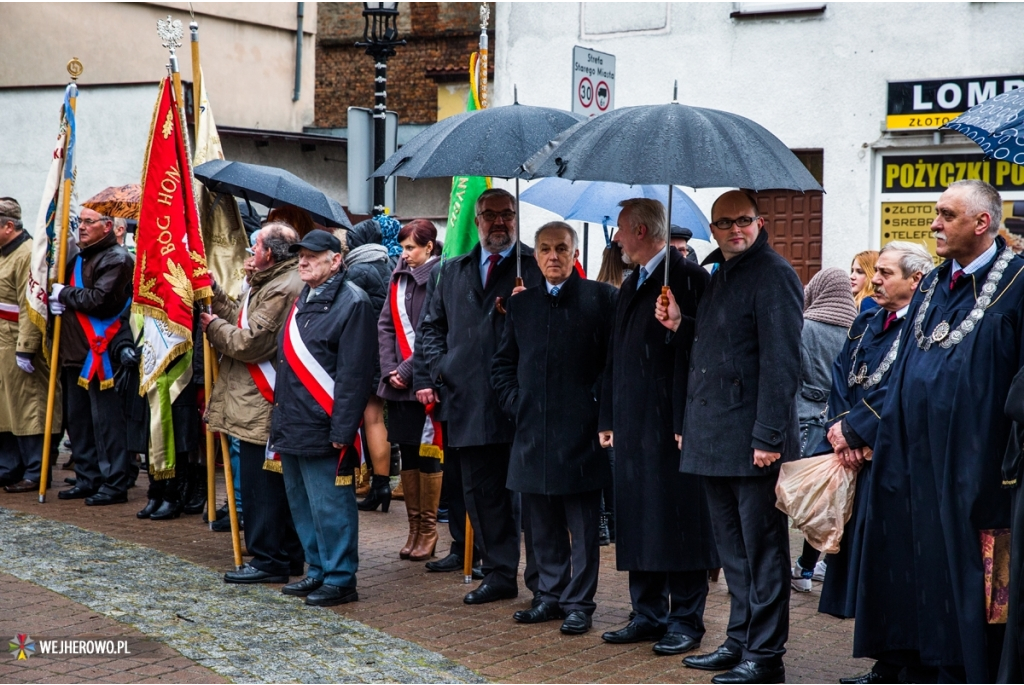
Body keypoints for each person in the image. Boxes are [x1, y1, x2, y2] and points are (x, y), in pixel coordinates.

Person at [851, 180, 1024, 683]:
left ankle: (963, 666)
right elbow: (907, 362)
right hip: (911, 455)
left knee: (972, 572)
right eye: (935, 213)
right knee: (909, 556)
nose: (934, 224)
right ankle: (910, 657)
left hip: (976, 464)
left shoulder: (1016, 283)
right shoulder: (930, 282)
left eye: (946, 215)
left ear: (982, 223)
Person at [659, 190, 803, 684]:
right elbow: (724, 344)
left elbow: (782, 362)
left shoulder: (774, 274)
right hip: (716, 439)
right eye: (724, 223)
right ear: (713, 229)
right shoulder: (722, 272)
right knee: (733, 553)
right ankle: (739, 640)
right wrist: (682, 323)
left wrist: (769, 435)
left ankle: (765, 656)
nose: (734, 229)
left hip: (753, 443)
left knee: (762, 553)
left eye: (744, 221)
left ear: (760, 223)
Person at [599, 198, 719, 657]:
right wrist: (608, 415)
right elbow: (616, 353)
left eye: (622, 230)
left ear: (643, 232)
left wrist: (685, 419)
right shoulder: (633, 282)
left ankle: (685, 620)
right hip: (632, 424)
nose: (617, 239)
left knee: (680, 521)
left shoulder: (688, 279)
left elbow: (700, 351)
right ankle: (646, 613)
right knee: (639, 518)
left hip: (673, 425)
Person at [813, 242, 932, 685]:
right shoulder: (866, 319)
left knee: (898, 564)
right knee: (871, 567)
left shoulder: (925, 324)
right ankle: (885, 660)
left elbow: (905, 385)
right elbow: (842, 373)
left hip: (896, 459)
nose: (874, 279)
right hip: (857, 455)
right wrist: (841, 429)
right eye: (875, 272)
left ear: (915, 280)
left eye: (885, 273)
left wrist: (862, 431)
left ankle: (909, 663)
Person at [418, 187, 543, 604]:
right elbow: (432, 328)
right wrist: (442, 368)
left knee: (529, 497)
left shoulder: (536, 266)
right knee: (481, 494)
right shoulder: (453, 269)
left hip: (520, 401)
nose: (499, 222)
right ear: (476, 221)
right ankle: (498, 573)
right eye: (490, 215)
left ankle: (544, 582)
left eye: (507, 214)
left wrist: (531, 308)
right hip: (467, 398)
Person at [492, 222, 616, 635]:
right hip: (531, 429)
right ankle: (548, 594)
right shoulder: (522, 305)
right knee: (540, 522)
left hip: (581, 430)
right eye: (544, 249)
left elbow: (611, 365)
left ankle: (579, 602)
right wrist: (515, 402)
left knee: (581, 526)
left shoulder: (601, 299)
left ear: (575, 252)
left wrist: (596, 406)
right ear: (536, 255)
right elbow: (503, 364)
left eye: (561, 248)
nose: (553, 256)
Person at [269, 229, 376, 607]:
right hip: (293, 419)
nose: (303, 261)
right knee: (303, 503)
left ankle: (341, 577)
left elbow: (355, 373)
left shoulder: (353, 302)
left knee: (331, 505)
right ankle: (317, 569)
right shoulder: (304, 297)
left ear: (335, 259)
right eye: (301, 254)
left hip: (325, 423)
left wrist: (343, 428)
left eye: (313, 255)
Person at [201, 221, 305, 584]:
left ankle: (268, 560)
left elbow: (250, 342)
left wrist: (212, 328)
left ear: (270, 254)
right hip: (253, 400)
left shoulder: (282, 286)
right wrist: (213, 295)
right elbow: (241, 321)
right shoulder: (270, 281)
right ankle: (286, 556)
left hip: (261, 401)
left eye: (254, 247)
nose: (250, 253)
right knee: (270, 485)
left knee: (262, 489)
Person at [50, 208, 135, 505]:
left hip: (101, 355)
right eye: (80, 222)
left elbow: (100, 300)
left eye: (89, 222)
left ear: (108, 226)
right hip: (74, 353)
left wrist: (63, 295)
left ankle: (114, 483)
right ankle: (88, 477)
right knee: (80, 422)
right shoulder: (80, 257)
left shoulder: (118, 259)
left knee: (107, 424)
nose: (82, 228)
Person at [377, 219, 443, 560]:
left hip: (426, 383)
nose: (404, 254)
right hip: (400, 386)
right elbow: (386, 325)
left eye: (410, 248)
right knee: (407, 454)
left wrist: (407, 369)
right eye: (403, 248)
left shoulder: (439, 277)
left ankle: (429, 530)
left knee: (427, 454)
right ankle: (414, 528)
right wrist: (390, 370)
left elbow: (436, 331)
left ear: (429, 247)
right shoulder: (398, 276)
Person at [789, 267, 858, 592]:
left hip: (802, 417)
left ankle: (789, 571)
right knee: (826, 500)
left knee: (789, 496)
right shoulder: (856, 330)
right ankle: (809, 567)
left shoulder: (804, 327)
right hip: (840, 423)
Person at [0, 198, 57, 494]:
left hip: (17, 341)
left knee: (29, 407)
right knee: (6, 410)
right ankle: (9, 467)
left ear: (9, 226)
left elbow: (30, 306)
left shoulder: (27, 255)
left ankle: (36, 471)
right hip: (2, 342)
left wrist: (26, 347)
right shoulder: (4, 253)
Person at [345, 218, 397, 514]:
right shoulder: (388, 263)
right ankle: (383, 484)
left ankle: (377, 486)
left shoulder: (358, 270)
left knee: (369, 418)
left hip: (364, 353)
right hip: (386, 352)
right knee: (377, 419)